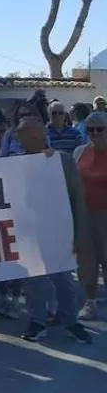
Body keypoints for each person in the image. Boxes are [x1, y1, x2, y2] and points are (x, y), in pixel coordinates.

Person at [15, 117, 94, 344]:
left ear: (37, 135)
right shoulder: (15, 165)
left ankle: (71, 321)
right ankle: (37, 321)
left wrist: (80, 233)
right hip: (30, 232)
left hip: (59, 230)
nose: (19, 139)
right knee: (34, 280)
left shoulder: (63, 161)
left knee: (63, 279)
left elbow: (78, 198)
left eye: (23, 135)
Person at [74, 110, 107, 321]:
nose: (94, 133)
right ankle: (90, 302)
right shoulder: (80, 152)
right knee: (86, 261)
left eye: (100, 129)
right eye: (90, 129)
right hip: (84, 215)